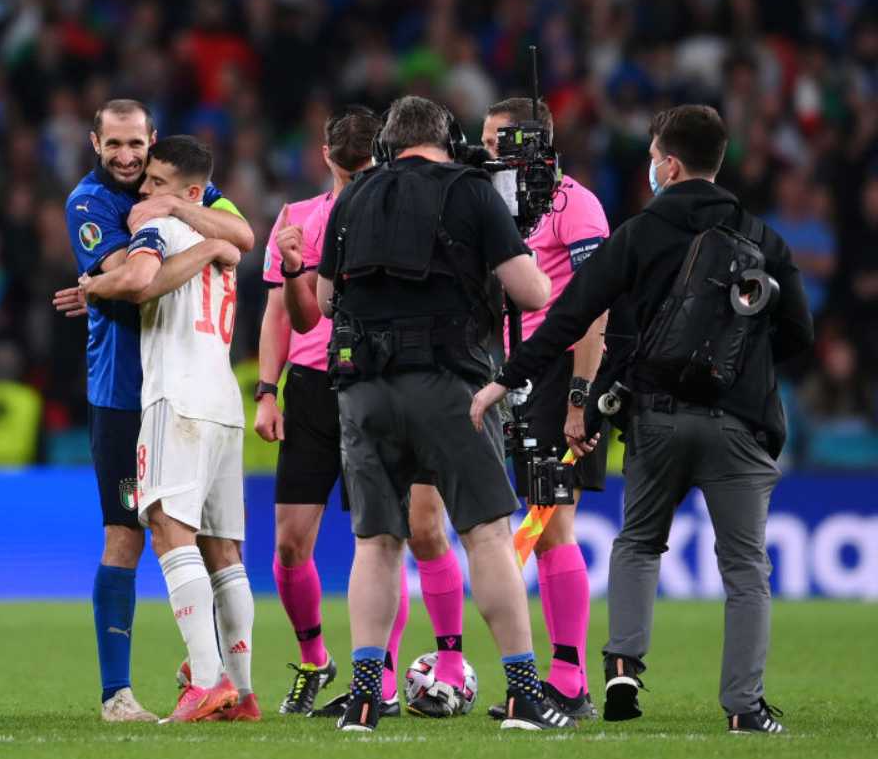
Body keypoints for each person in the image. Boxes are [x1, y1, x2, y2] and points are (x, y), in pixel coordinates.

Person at [470, 105, 813, 734]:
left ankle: (623, 662)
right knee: (744, 568)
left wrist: (505, 379)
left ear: (671, 163)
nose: (650, 166)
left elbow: (571, 313)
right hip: (740, 425)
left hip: (656, 418)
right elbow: (799, 334)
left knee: (638, 544)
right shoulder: (765, 239)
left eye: (654, 155)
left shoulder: (640, 232)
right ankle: (744, 707)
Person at [314, 95, 570, 733]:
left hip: (362, 387)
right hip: (450, 385)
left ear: (386, 146)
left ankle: (367, 696)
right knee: (484, 534)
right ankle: (522, 693)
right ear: (449, 140)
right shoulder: (472, 191)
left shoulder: (352, 197)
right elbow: (534, 292)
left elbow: (323, 301)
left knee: (375, 544)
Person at [267, 106, 474, 719]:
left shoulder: (399, 211)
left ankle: (384, 676)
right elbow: (291, 315)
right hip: (311, 386)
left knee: (402, 532)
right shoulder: (298, 219)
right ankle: (315, 659)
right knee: (288, 545)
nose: (357, 179)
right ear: (327, 157)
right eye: (349, 167)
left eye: (367, 168)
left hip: (379, 381)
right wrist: (264, 389)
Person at [52, 99, 254, 722]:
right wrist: (211, 248)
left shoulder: (165, 196)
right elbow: (129, 271)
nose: (126, 158)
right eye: (113, 144)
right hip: (123, 388)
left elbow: (243, 236)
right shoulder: (90, 203)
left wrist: (176, 216)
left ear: (152, 140)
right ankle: (120, 693)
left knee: (192, 537)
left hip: (173, 390)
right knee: (126, 537)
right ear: (94, 142)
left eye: (135, 144)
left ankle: (216, 681)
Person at [479, 97, 611, 721]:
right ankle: (561, 675)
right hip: (511, 376)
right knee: (540, 520)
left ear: (529, 140)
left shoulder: (574, 204)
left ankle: (568, 678)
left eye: (494, 139)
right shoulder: (498, 204)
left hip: (561, 376)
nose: (486, 151)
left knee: (552, 520)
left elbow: (597, 306)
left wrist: (581, 399)